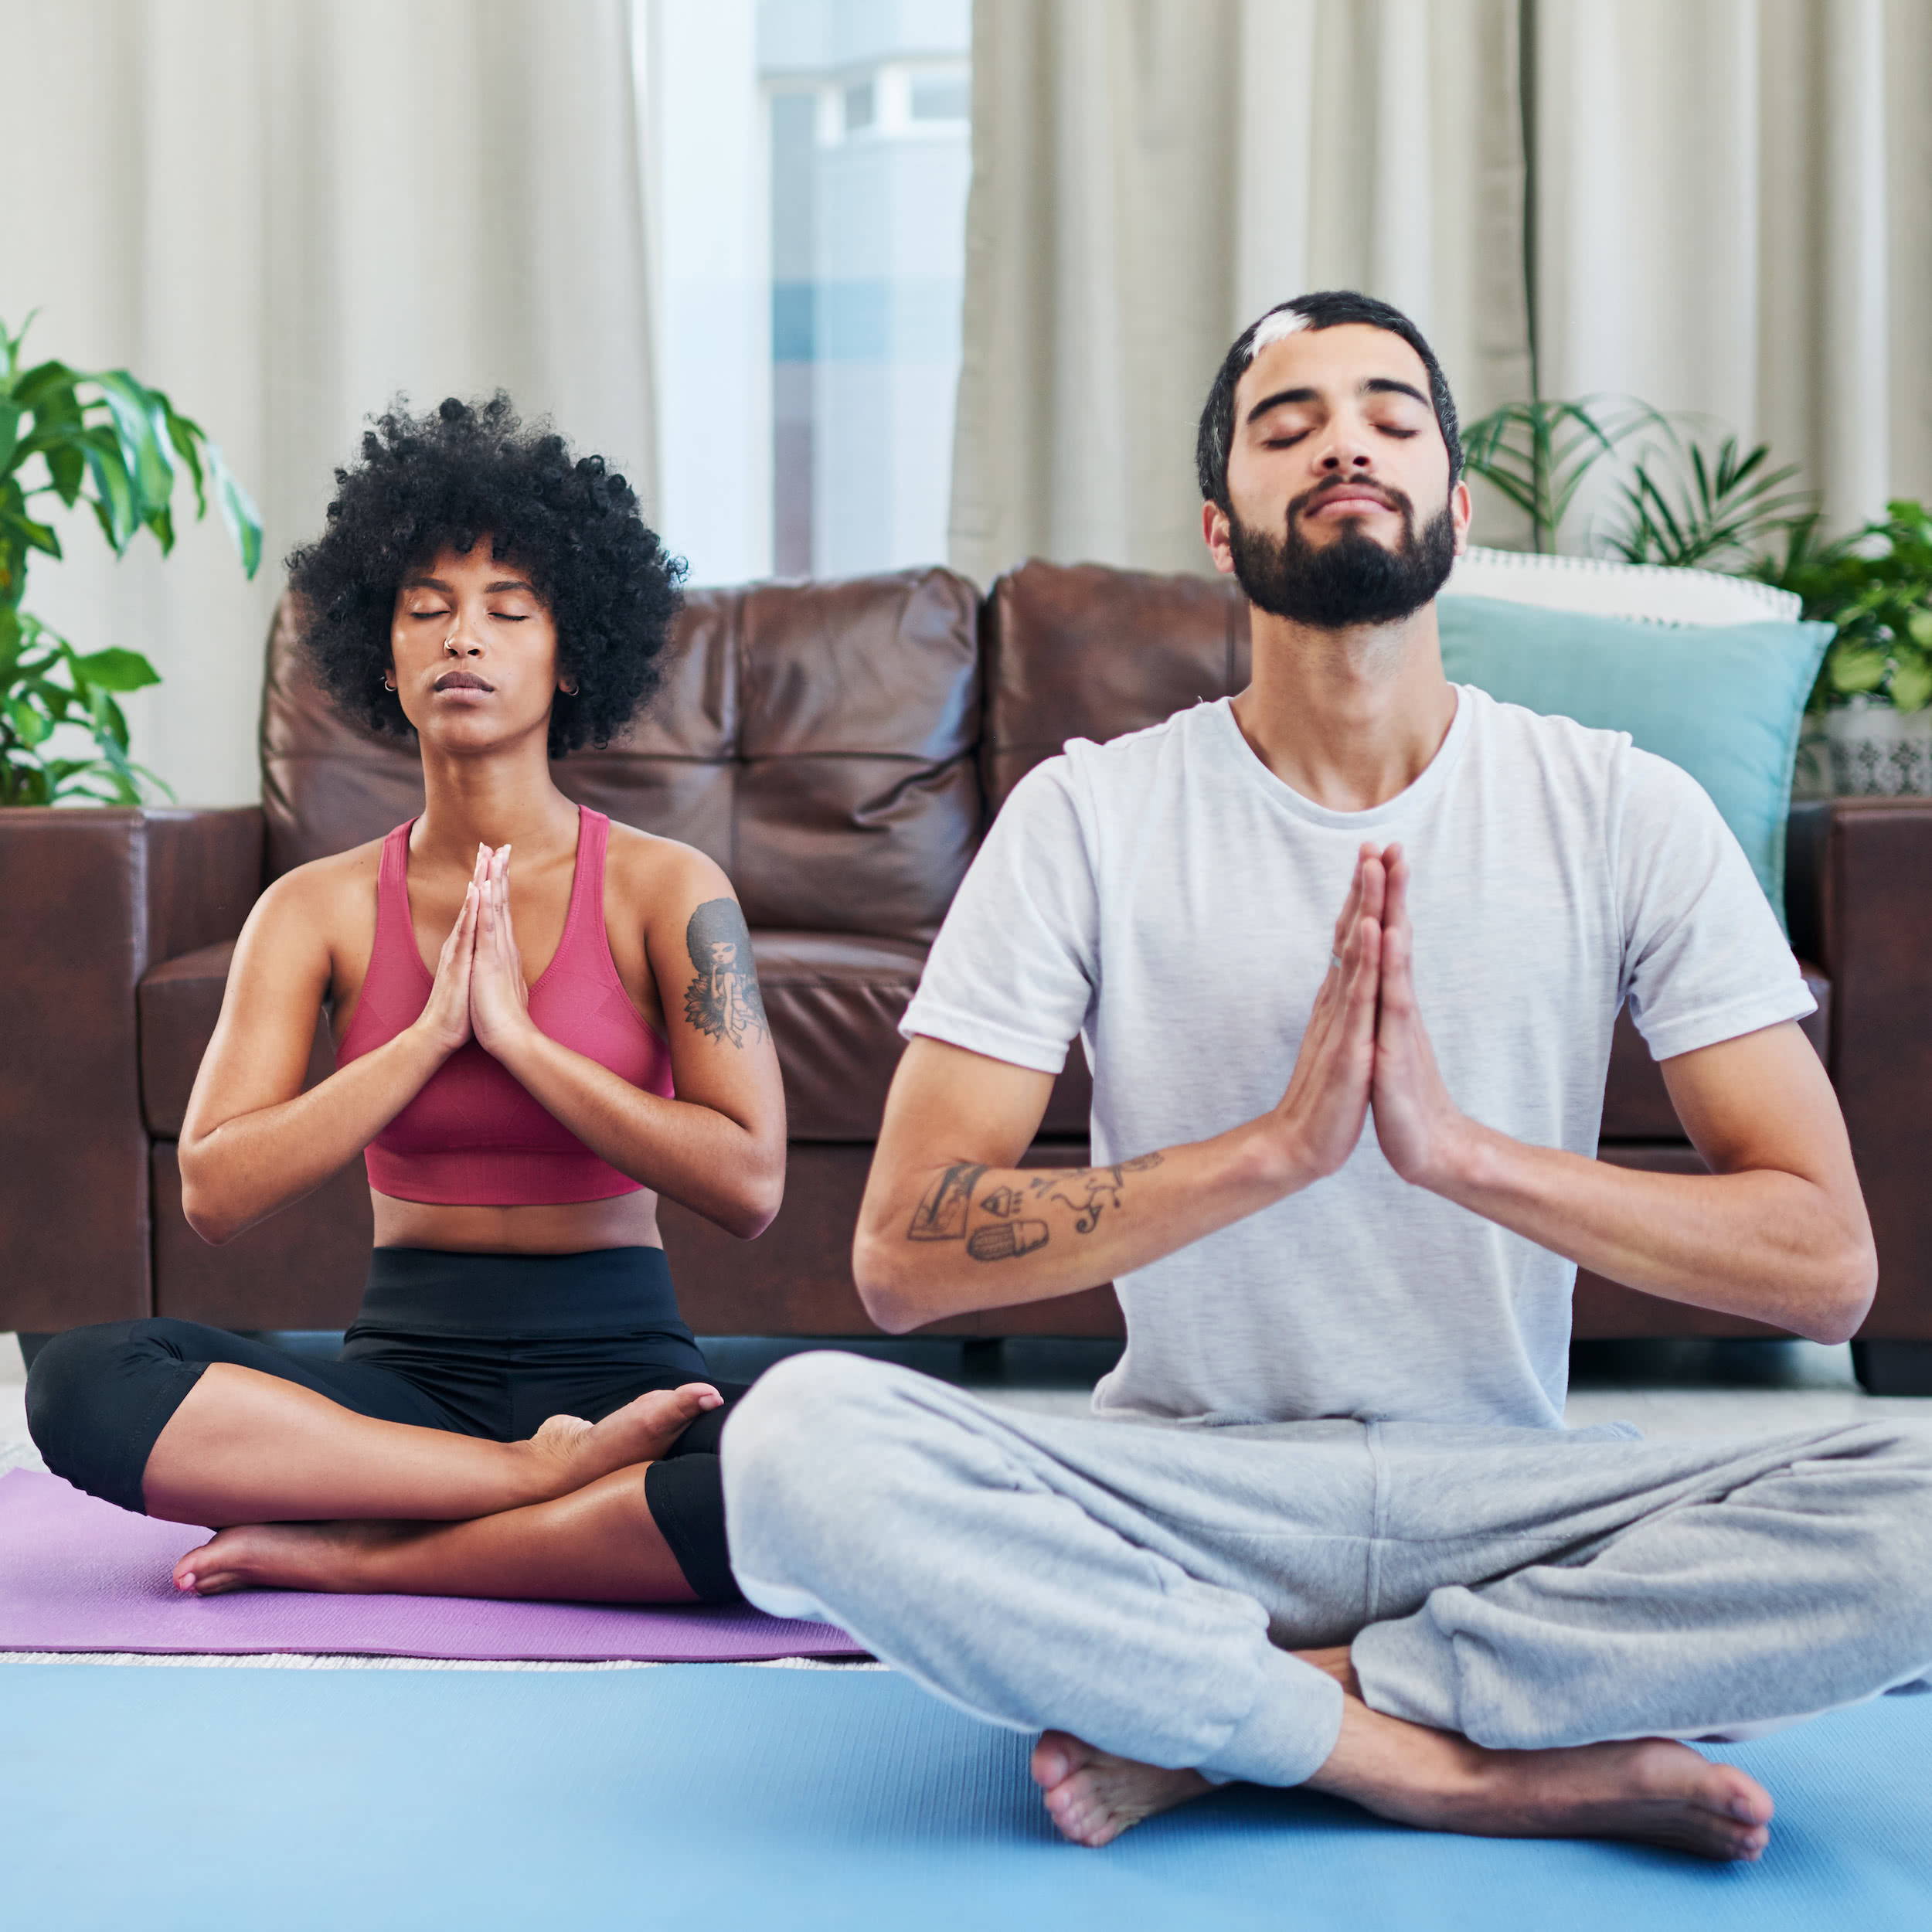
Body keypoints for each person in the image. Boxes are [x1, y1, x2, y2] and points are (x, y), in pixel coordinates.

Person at [718, 292, 1932, 1859]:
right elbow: (898, 1258)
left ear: (1455, 507)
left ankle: (1268, 1715)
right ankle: (1438, 1757)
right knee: (794, 1441)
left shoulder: (1619, 805)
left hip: (1507, 1501)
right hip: (1181, 1495)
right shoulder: (1087, 815)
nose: (1343, 440)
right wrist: (1269, 1152)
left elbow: (1825, 1268)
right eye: (1285, 425)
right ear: (1219, 530)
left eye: (1388, 415)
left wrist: (1463, 1155)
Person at [28, 396, 786, 1609]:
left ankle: (377, 1547)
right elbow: (215, 1191)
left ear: (572, 648)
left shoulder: (665, 889)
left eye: (507, 611)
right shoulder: (314, 909)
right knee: (78, 1379)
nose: (461, 641)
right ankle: (523, 1486)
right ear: (382, 653)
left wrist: (524, 1043)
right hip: (398, 1388)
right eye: (425, 611)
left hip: (620, 1368)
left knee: (788, 1488)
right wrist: (432, 1034)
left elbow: (750, 1184)